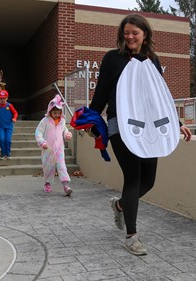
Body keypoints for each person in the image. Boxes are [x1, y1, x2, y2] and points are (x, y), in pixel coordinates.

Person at [89, 14, 192, 256]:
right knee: (133, 178)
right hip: (119, 126)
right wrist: (92, 121)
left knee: (149, 180)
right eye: (126, 32)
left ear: (145, 35)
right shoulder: (112, 59)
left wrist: (176, 123)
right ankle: (132, 237)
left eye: (135, 32)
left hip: (149, 128)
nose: (130, 36)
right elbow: (101, 94)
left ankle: (120, 205)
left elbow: (158, 99)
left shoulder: (152, 61)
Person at [35, 94, 73, 196]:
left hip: (59, 148)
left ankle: (66, 185)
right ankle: (47, 183)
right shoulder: (45, 121)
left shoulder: (62, 121)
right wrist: (42, 142)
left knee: (62, 166)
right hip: (48, 148)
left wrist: (67, 134)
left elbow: (64, 130)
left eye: (58, 113)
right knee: (48, 167)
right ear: (50, 111)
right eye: (54, 112)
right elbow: (38, 132)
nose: (57, 115)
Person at [0, 89, 18, 159]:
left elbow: (15, 113)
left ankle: (8, 153)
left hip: (9, 126)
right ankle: (3, 153)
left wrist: (14, 118)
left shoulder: (9, 105)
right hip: (1, 126)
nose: (2, 100)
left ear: (7, 98)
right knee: (2, 139)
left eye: (4, 98)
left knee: (8, 140)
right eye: (1, 98)